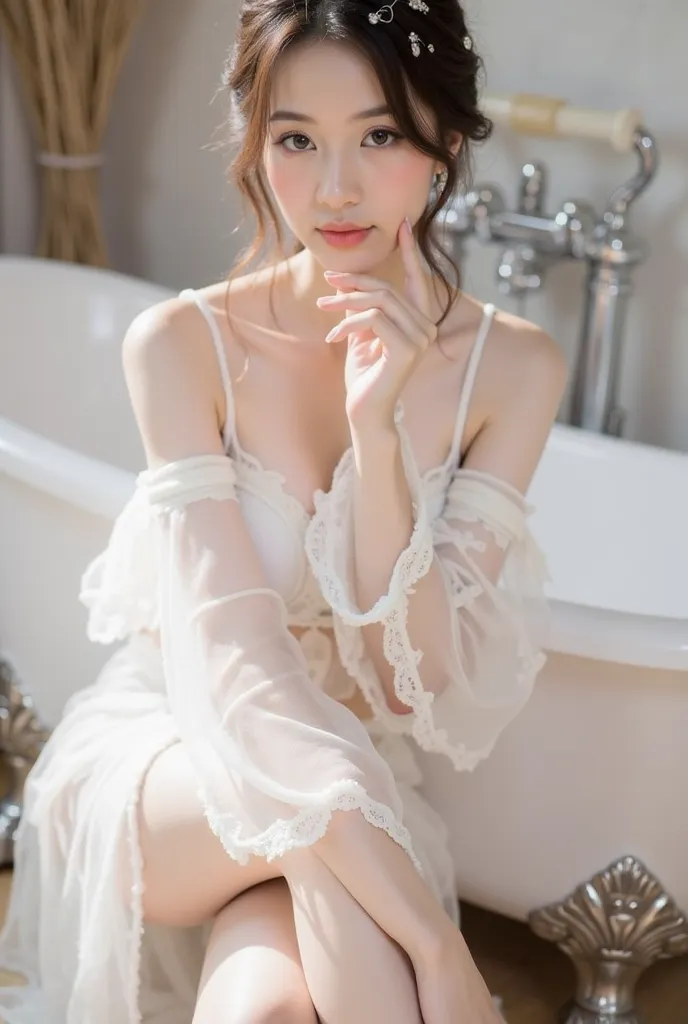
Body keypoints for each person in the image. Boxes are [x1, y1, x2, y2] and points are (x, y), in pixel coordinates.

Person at [0, 0, 568, 1020]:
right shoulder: (181, 344)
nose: (335, 187)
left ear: (442, 142)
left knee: (265, 1008)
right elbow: (236, 661)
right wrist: (439, 948)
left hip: (351, 798)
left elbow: (421, 684)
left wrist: (379, 435)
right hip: (177, 758)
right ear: (256, 148)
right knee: (333, 853)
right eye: (296, 139)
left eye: (379, 135)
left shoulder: (511, 368)